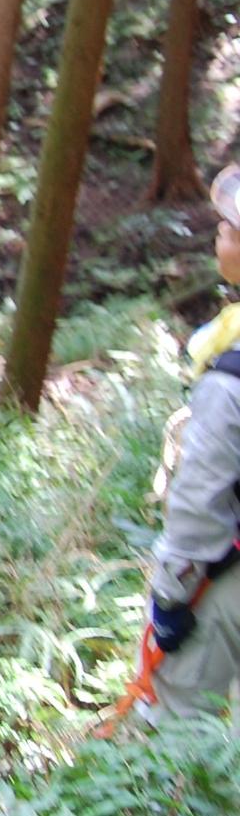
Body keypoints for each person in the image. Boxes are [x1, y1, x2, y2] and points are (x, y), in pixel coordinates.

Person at [143, 166, 240, 721]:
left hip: (229, 579)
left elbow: (201, 501)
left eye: (227, 229)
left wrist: (171, 598)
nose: (218, 236)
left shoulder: (230, 378)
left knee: (180, 728)